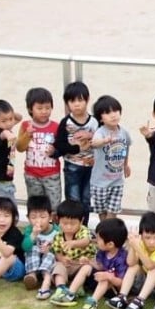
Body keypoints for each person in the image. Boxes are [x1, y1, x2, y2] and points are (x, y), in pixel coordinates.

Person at [102, 212, 155, 309]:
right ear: (141, 236)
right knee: (134, 266)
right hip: (142, 282)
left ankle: (139, 301)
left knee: (154, 270)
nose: (152, 242)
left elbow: (150, 266)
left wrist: (136, 247)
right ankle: (122, 297)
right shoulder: (140, 243)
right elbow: (130, 263)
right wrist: (133, 245)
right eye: (148, 237)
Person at [54, 81, 97, 214]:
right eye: (72, 101)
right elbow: (59, 144)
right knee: (73, 199)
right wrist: (77, 149)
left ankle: (83, 229)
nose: (77, 104)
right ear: (67, 104)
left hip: (91, 167)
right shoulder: (66, 122)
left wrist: (90, 135)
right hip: (72, 166)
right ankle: (72, 228)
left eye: (80, 100)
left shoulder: (94, 121)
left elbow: (104, 140)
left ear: (87, 99)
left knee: (86, 199)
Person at [89, 95, 131, 221]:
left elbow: (126, 148)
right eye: (107, 113)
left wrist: (126, 165)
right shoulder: (100, 132)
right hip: (99, 183)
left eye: (115, 111)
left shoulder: (124, 132)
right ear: (101, 119)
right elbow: (94, 143)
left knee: (112, 213)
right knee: (102, 214)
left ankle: (111, 234)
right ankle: (105, 236)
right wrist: (104, 141)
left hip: (117, 181)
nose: (113, 115)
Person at [19, 87, 63, 208]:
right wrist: (27, 134)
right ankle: (36, 226)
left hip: (51, 174)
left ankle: (54, 226)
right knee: (36, 207)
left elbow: (61, 149)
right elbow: (20, 148)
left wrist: (55, 151)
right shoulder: (25, 125)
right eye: (39, 108)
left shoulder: (56, 126)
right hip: (32, 174)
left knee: (54, 206)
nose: (44, 111)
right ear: (30, 109)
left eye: (47, 108)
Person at [78, 218, 130, 309]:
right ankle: (70, 293)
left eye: (98, 239)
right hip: (99, 281)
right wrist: (89, 262)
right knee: (86, 267)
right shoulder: (102, 251)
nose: (96, 241)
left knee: (105, 279)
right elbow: (100, 266)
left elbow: (121, 283)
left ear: (110, 244)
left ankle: (92, 302)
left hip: (113, 289)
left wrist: (109, 276)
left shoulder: (122, 258)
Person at [48, 199, 95, 303]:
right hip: (68, 265)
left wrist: (74, 243)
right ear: (58, 220)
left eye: (73, 224)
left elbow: (86, 241)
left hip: (81, 264)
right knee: (58, 266)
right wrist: (62, 259)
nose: (68, 227)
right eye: (64, 223)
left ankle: (75, 289)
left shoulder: (83, 231)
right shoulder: (58, 236)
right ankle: (60, 288)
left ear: (81, 221)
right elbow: (57, 252)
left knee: (87, 267)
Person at [21, 195, 60, 299]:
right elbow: (25, 247)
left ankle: (46, 283)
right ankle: (32, 276)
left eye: (43, 217)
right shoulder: (29, 230)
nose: (38, 221)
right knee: (32, 249)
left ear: (50, 217)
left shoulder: (57, 230)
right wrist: (33, 235)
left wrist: (50, 248)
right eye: (33, 217)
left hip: (49, 262)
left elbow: (61, 248)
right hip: (34, 261)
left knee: (50, 254)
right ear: (28, 218)